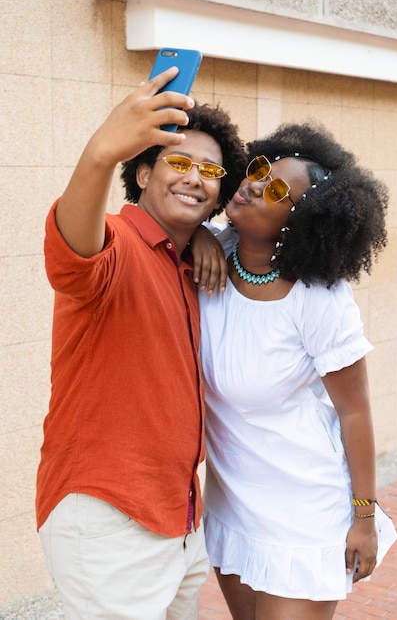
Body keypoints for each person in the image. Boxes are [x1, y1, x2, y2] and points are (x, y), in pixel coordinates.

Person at [36, 66, 247, 620]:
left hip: (179, 522)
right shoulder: (117, 242)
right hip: (110, 516)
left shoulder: (192, 263)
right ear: (145, 171)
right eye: (179, 162)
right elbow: (75, 242)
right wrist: (103, 151)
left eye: (210, 171)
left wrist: (199, 235)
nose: (195, 178)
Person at [193, 121, 397, 619]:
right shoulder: (212, 253)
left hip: (305, 512)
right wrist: (197, 232)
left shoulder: (318, 298)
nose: (254, 183)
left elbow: (355, 411)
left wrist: (364, 519)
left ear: (300, 222)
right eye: (260, 170)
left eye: (278, 189)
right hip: (234, 505)